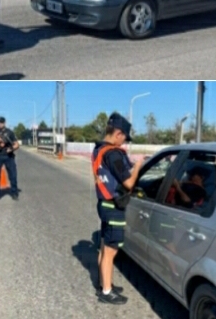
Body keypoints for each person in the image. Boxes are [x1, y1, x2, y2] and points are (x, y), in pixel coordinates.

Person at [92, 113, 142, 305]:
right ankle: (106, 292)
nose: (124, 143)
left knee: (105, 246)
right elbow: (129, 182)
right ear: (118, 133)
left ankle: (104, 283)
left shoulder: (99, 150)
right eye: (124, 138)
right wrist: (137, 166)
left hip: (103, 203)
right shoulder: (113, 154)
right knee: (111, 251)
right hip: (113, 206)